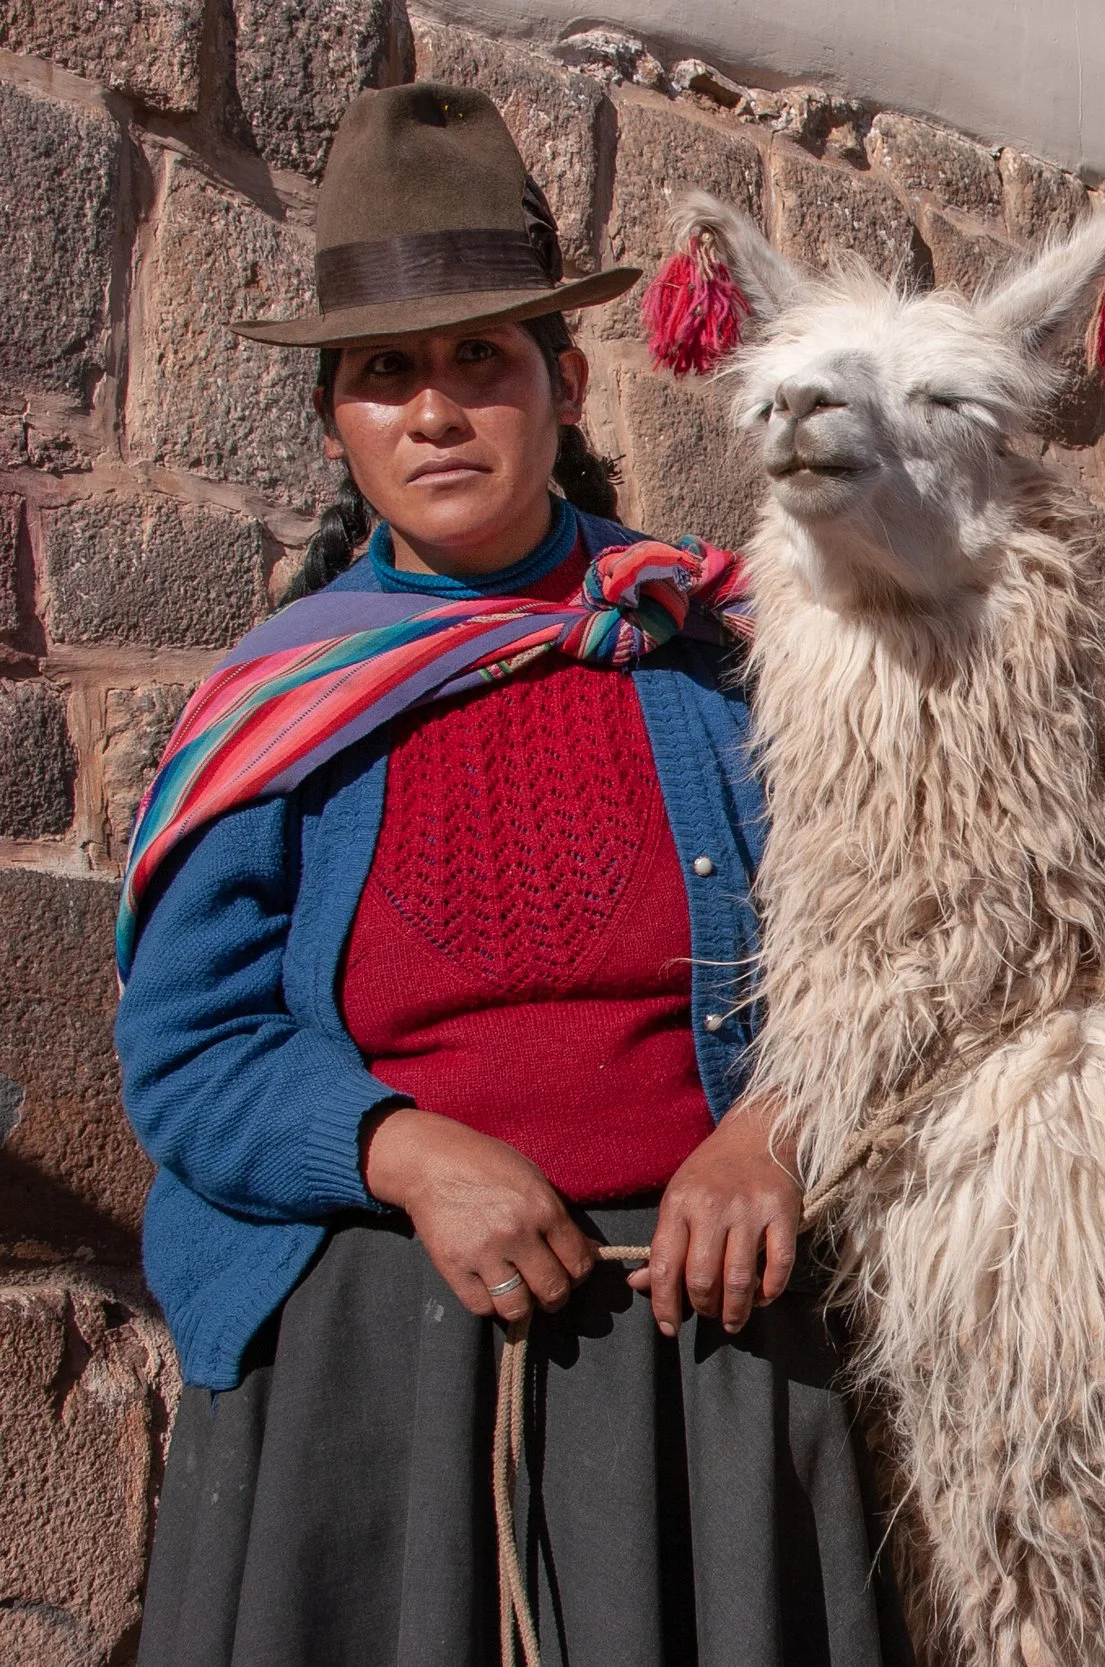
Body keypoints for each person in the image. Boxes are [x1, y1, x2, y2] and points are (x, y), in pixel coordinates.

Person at [121, 84, 907, 1666]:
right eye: (384, 375)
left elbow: (886, 964)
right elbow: (186, 1055)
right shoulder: (282, 709)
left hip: (700, 1351)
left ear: (566, 380)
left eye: (480, 359)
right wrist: (403, 1151)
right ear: (339, 422)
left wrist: (773, 1127)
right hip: (374, 1363)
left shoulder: (723, 666)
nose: (434, 410)